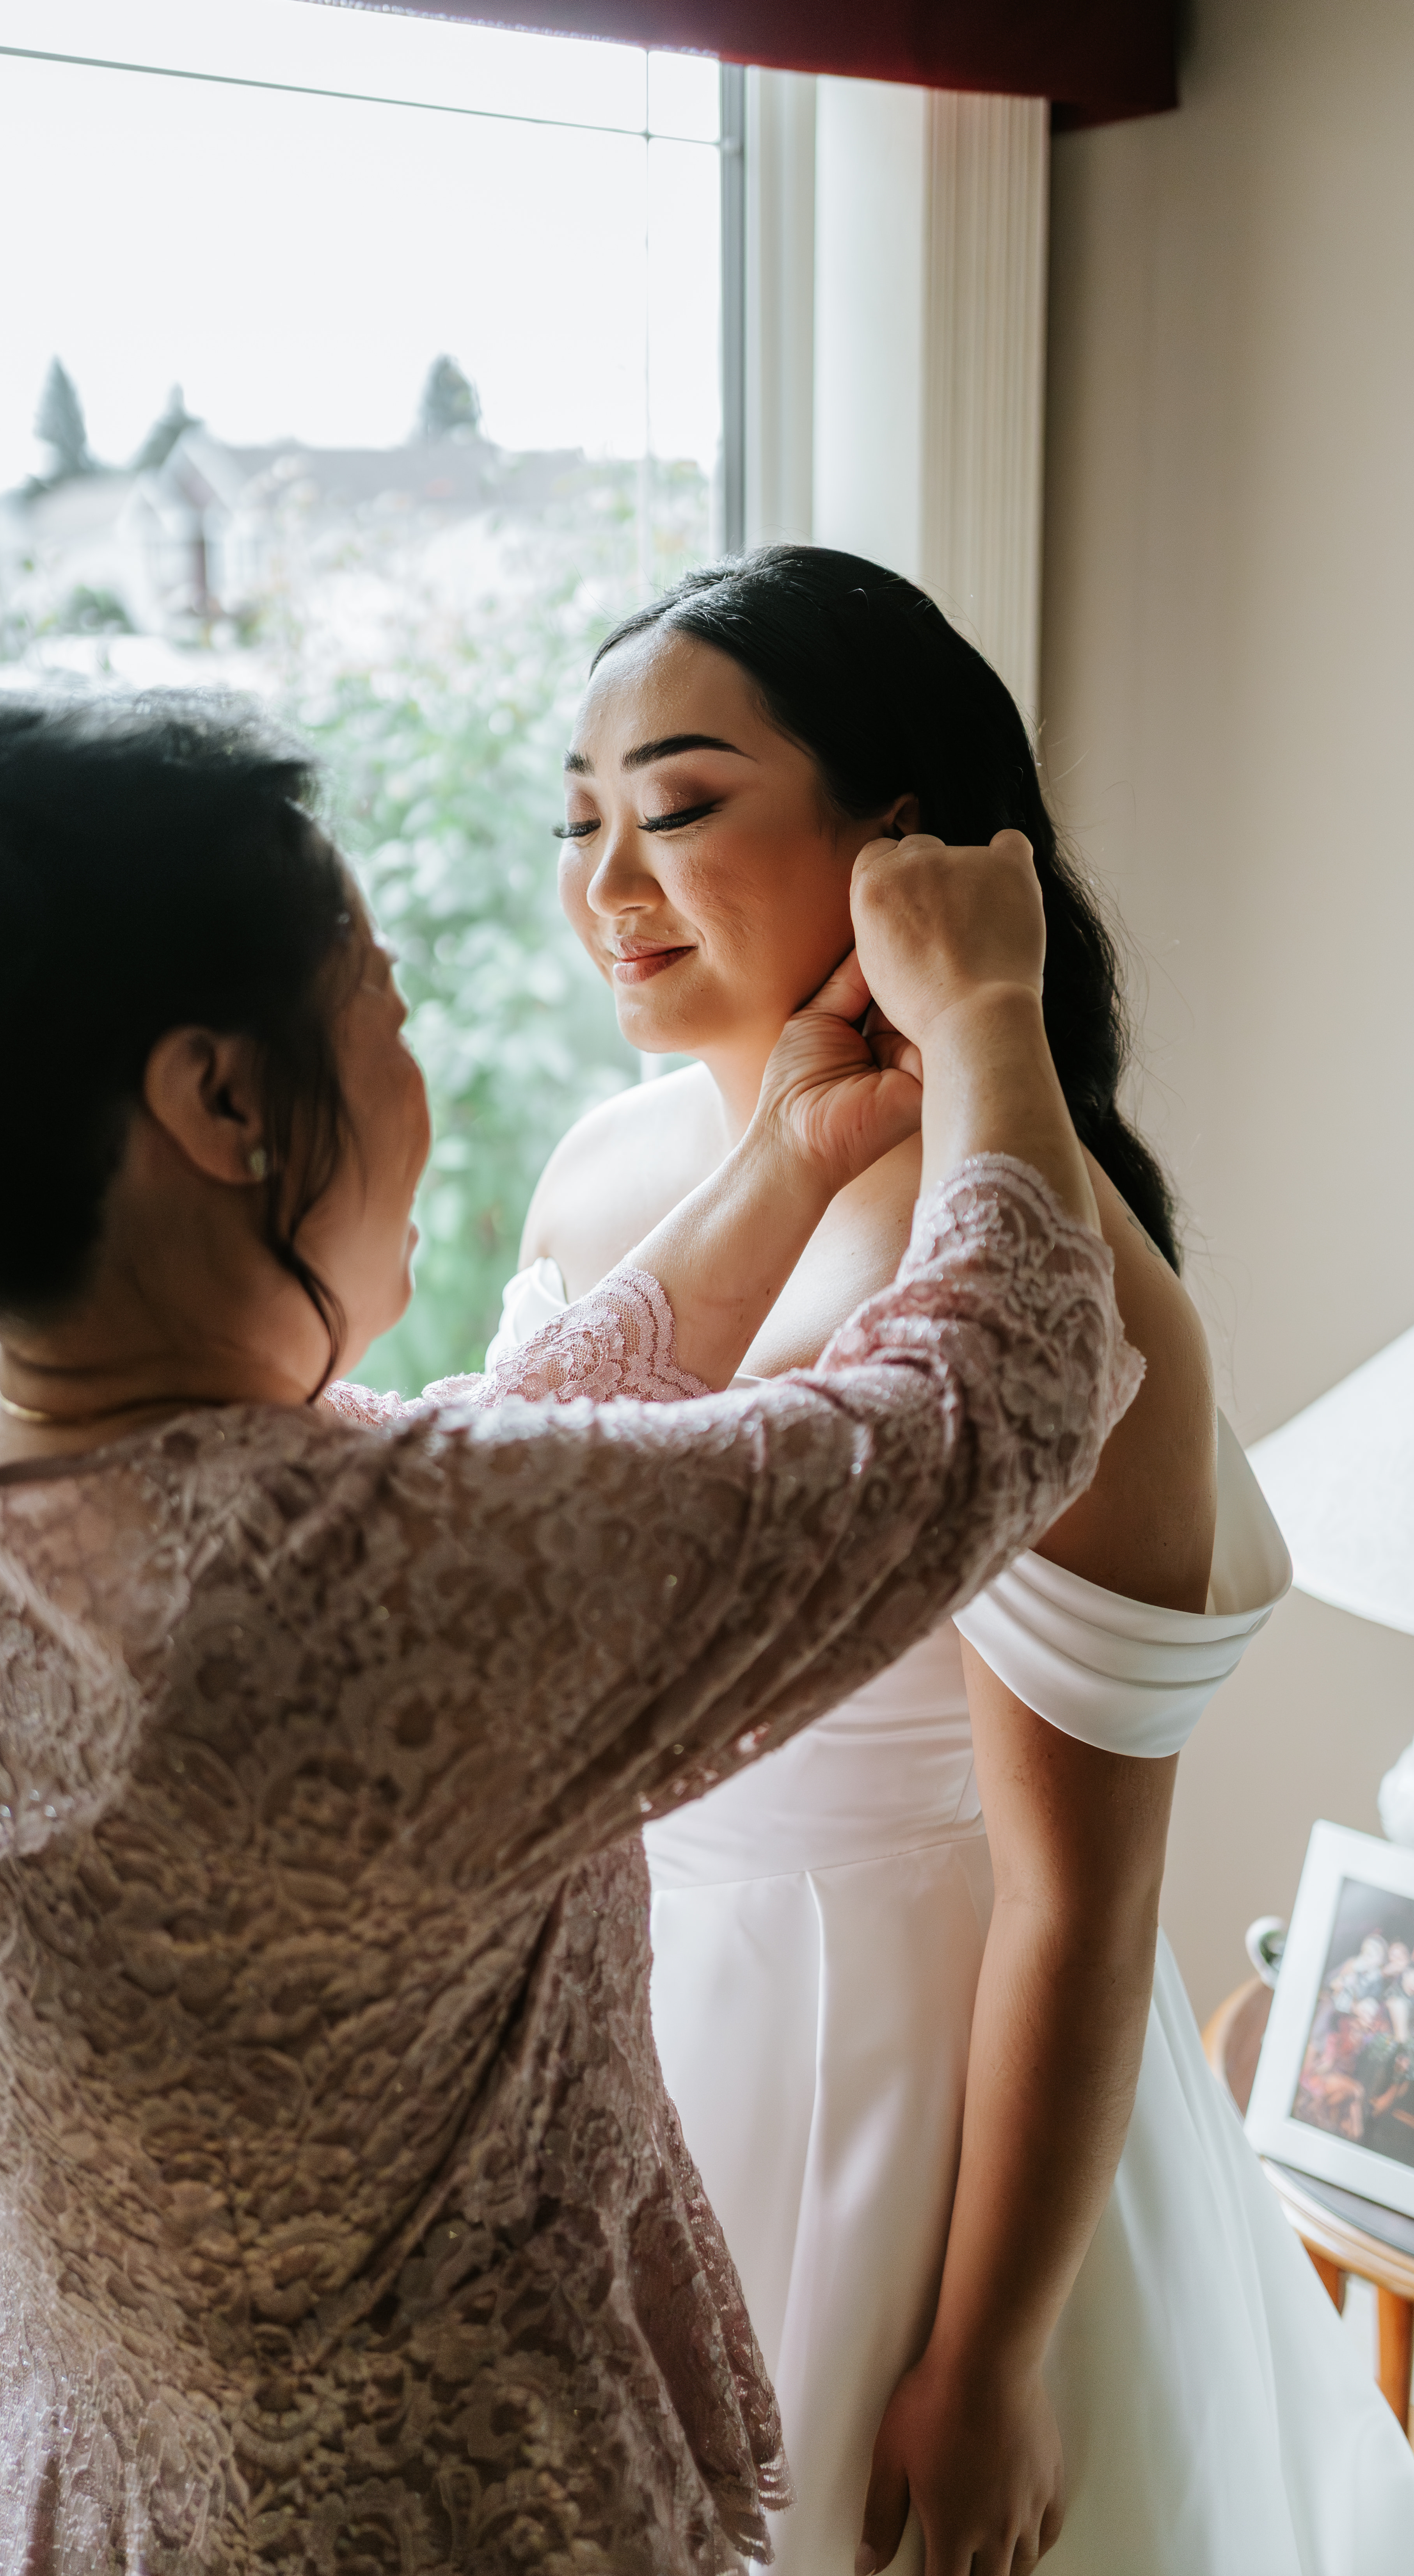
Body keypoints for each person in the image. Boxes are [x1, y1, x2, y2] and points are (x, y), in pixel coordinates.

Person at [0, 692, 1137, 2576]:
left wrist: (785, 1149)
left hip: (87, 2478)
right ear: (221, 1099)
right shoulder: (331, 1603)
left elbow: (462, 1480)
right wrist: (988, 1016)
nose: (416, 1070)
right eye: (380, 1010)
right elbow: (1002, 1396)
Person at [504, 548, 1414, 2574]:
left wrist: (988, 2350)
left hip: (905, 2095)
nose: (605, 884)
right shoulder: (604, 1163)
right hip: (611, 2053)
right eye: (576, 820)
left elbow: (1085, 1893)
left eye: (672, 806)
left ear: (901, 843)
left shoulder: (1069, 1293)